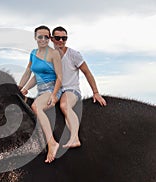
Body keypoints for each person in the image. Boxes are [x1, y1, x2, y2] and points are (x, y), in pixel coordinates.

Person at [51, 26, 107, 148]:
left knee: (64, 105)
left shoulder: (73, 55)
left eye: (64, 38)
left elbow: (87, 72)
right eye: (58, 38)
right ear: (52, 39)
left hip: (71, 90)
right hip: (56, 91)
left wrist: (96, 92)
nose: (61, 40)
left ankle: (75, 138)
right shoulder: (49, 56)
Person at [19, 25, 62, 163]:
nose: (43, 39)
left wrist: (54, 95)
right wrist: (21, 88)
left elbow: (60, 77)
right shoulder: (33, 53)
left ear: (49, 38)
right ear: (35, 38)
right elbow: (30, 74)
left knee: (36, 107)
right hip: (41, 91)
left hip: (52, 89)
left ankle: (52, 143)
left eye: (46, 37)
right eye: (40, 37)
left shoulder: (54, 54)